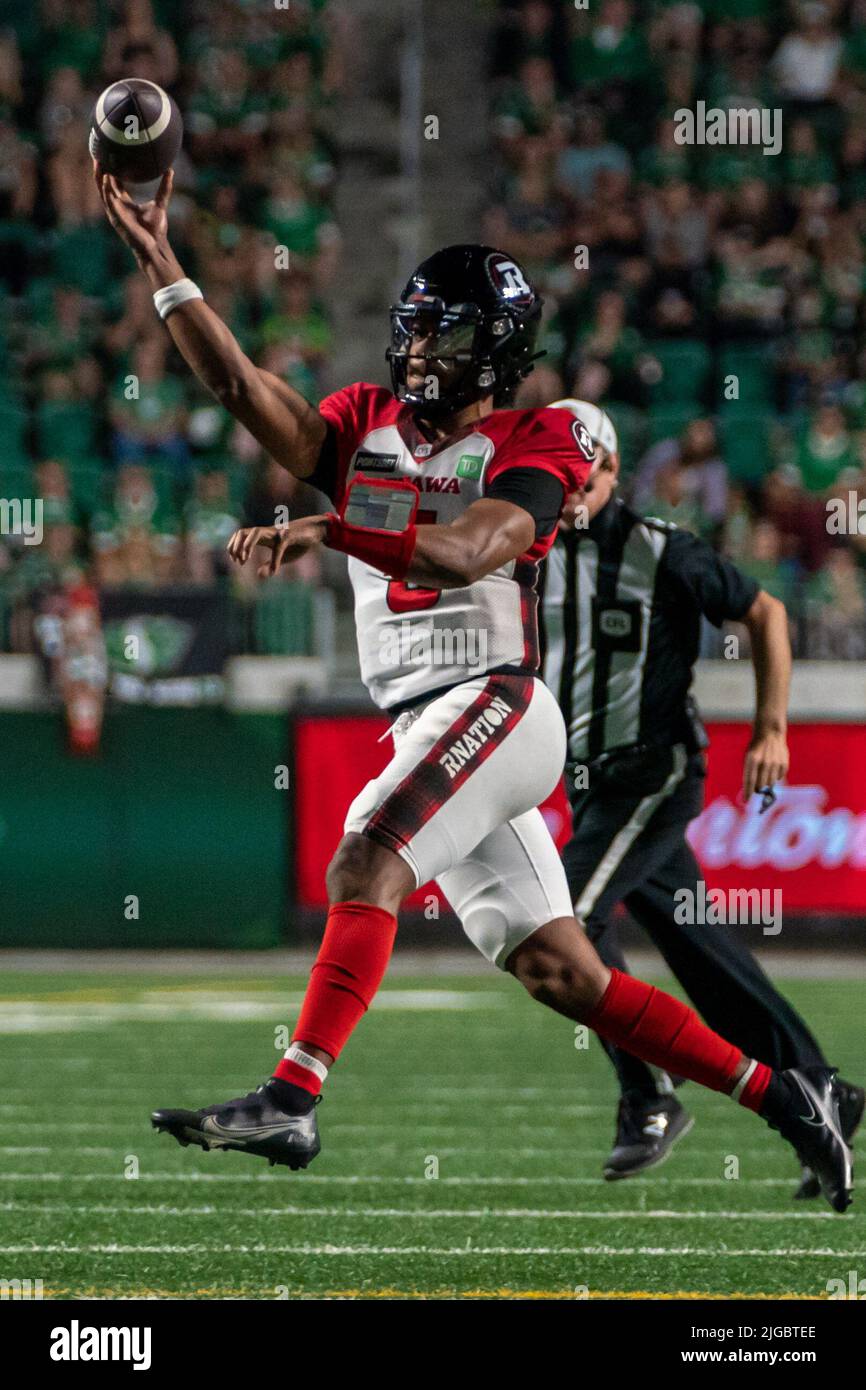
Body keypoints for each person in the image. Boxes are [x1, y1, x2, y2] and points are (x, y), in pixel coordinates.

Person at [93, 164, 853, 1212]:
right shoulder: (364, 418)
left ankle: (294, 1092)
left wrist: (331, 526)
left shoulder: (532, 440)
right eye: (410, 330)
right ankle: (788, 1102)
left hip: (496, 700)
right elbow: (239, 390)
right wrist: (163, 261)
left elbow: (458, 553)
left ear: (493, 353)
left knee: (369, 851)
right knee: (564, 974)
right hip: (427, 717)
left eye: (440, 336)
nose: (414, 353)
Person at [541, 398, 864, 1193]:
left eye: (581, 481)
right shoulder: (531, 544)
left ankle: (646, 1086)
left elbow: (767, 610)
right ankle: (819, 1084)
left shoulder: (662, 551)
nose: (570, 497)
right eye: (556, 482)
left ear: (614, 472)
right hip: (590, 781)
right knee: (702, 953)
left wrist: (772, 728)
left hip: (652, 774)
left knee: (561, 923)